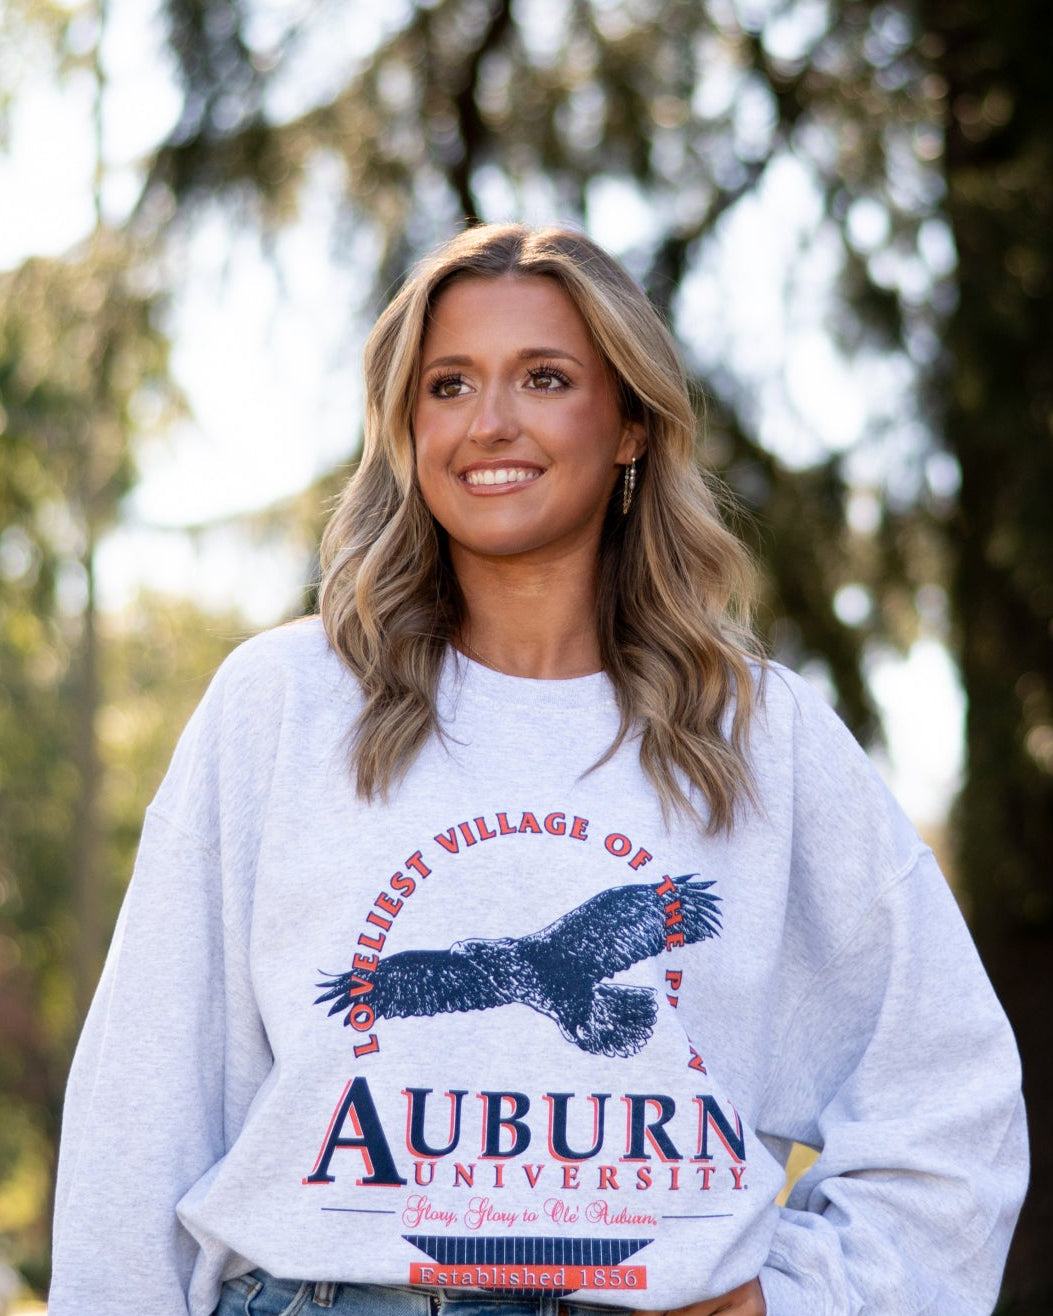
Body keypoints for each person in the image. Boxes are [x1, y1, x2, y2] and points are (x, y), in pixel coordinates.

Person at [50, 223, 1026, 1316]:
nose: (489, 423)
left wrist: (803, 1297)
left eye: (545, 378)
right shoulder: (284, 703)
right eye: (449, 385)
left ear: (631, 425)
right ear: (406, 427)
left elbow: (949, 1096)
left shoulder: (760, 733)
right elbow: (141, 1108)